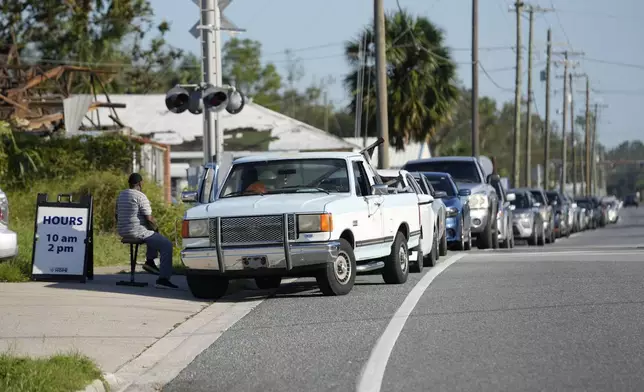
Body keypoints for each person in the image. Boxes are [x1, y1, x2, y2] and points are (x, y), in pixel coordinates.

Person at [115, 173, 178, 289]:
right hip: (137, 232)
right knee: (166, 245)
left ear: (129, 183)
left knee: (152, 233)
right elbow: (149, 218)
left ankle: (150, 262)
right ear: (140, 183)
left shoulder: (121, 195)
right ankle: (162, 279)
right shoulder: (140, 196)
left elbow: (116, 215)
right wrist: (156, 227)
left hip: (123, 231)